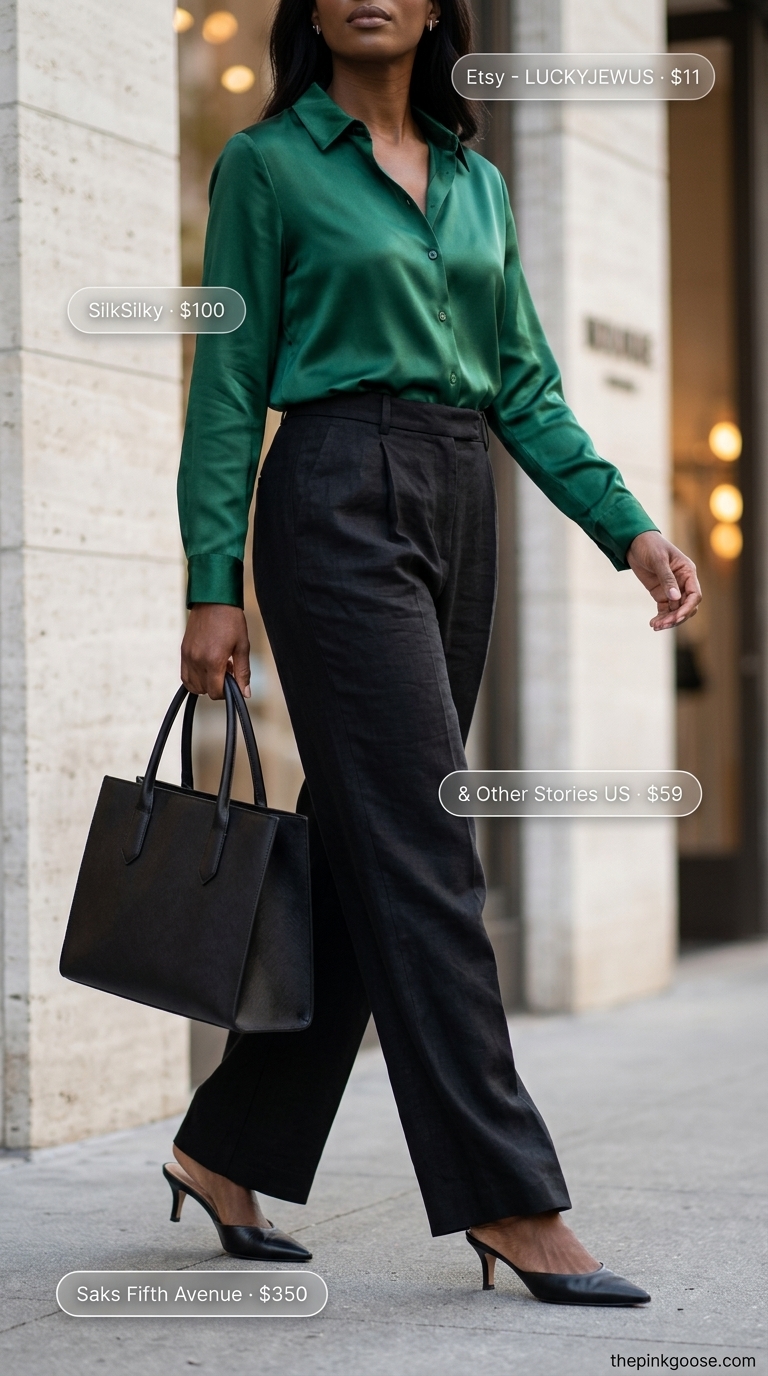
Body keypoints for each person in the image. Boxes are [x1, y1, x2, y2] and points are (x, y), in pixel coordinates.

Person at [164, 0, 701, 1304]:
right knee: (428, 848)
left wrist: (627, 527)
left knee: (371, 847)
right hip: (335, 494)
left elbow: (523, 384)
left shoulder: (477, 182)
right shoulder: (268, 165)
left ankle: (225, 1149)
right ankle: (509, 1197)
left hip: (462, 495)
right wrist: (212, 584)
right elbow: (227, 382)